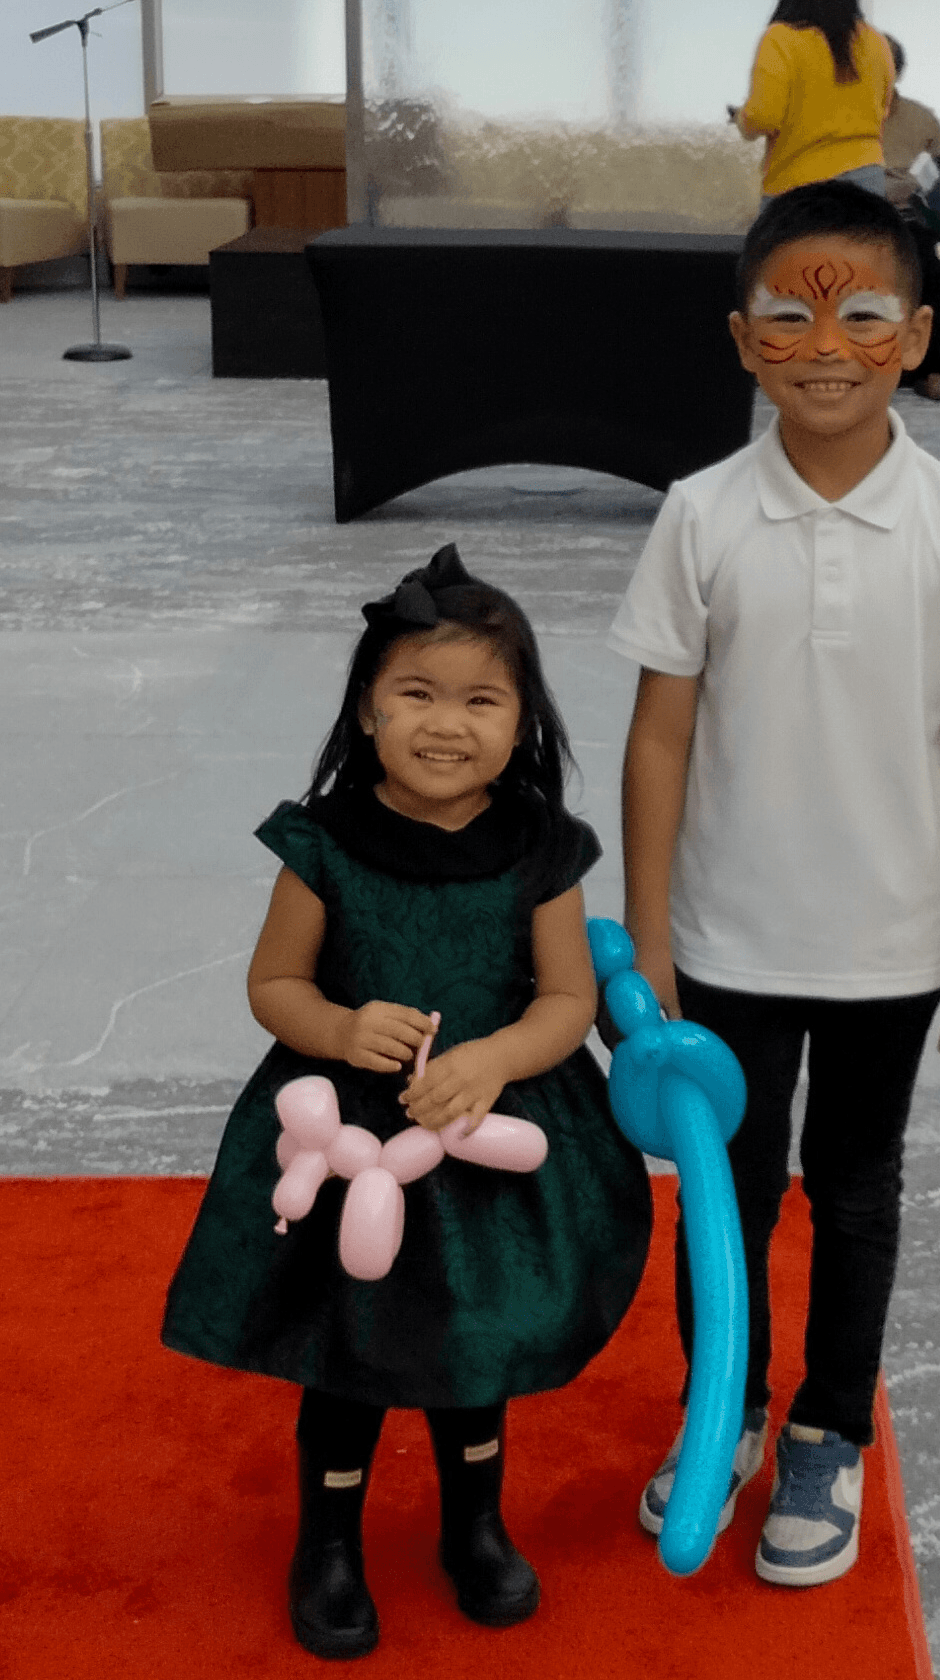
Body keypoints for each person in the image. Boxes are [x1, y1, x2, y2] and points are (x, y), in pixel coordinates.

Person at [610, 182, 940, 1589]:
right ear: (743, 339)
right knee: (725, 1196)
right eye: (788, 319)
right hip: (724, 938)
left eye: (862, 316)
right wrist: (652, 934)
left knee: (857, 1191)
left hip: (889, 945)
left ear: (913, 336)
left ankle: (827, 1427)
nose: (824, 347)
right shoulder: (698, 514)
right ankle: (726, 1404)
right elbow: (659, 735)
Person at [162, 546, 652, 1660]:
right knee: (347, 1343)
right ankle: (328, 1541)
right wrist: (339, 1030)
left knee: (475, 1338)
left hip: (486, 1135)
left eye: (482, 700)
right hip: (348, 1141)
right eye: (417, 693)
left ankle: (473, 1523)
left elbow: (568, 999)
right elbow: (273, 983)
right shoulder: (324, 841)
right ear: (368, 710)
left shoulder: (542, 846)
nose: (447, 723)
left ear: (522, 721)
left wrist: (495, 1057)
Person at [728, 0, 895, 202]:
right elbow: (884, 109)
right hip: (867, 183)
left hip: (800, 189)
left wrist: (742, 119)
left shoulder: (781, 39)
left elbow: (764, 116)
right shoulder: (875, 42)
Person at [881, 32, 940, 403]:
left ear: (896, 73)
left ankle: (934, 371)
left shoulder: (919, 118)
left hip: (909, 218)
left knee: (935, 260)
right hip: (853, 219)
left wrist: (929, 177)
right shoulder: (835, 115)